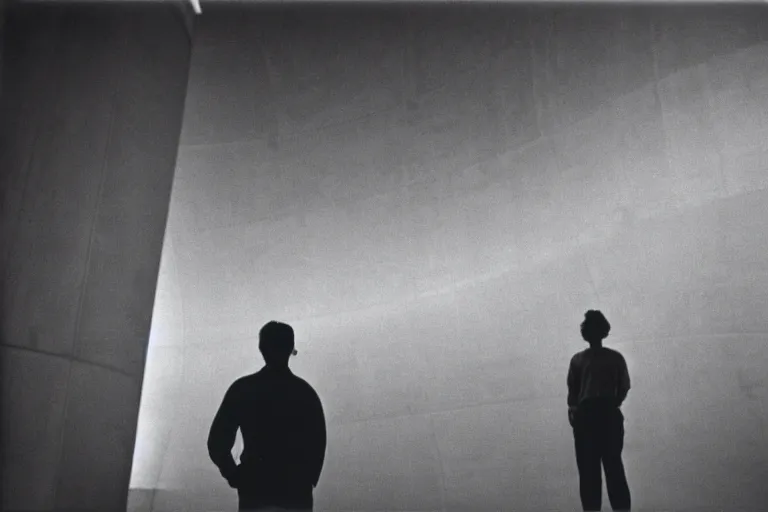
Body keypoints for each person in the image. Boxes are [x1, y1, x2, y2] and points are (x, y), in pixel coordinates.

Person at [208, 321, 327, 511]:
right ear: (290, 349)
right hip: (295, 492)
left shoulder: (243, 389)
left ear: (261, 347)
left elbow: (217, 442)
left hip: (255, 489)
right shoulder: (305, 393)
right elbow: (317, 443)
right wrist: (307, 480)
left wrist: (234, 475)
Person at [567, 310, 632, 511]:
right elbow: (624, 387)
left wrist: (576, 414)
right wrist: (612, 403)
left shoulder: (578, 360)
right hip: (607, 415)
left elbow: (573, 394)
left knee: (589, 474)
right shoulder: (615, 358)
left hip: (587, 418)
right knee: (613, 469)